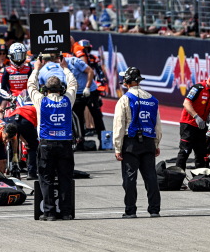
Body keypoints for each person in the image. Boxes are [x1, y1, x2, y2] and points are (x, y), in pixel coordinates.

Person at [28, 56, 78, 221]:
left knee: (46, 179)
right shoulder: (67, 99)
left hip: (46, 144)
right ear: (61, 89)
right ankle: (66, 212)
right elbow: (73, 84)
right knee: (65, 179)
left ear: (45, 89)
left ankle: (49, 212)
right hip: (65, 145)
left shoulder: (40, 100)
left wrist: (36, 68)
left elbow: (31, 85)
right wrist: (65, 68)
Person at [113, 67, 162, 219]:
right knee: (151, 177)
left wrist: (117, 147)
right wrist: (156, 144)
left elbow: (119, 125)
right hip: (148, 142)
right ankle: (154, 210)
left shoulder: (124, 99)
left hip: (131, 143)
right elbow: (157, 125)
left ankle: (130, 210)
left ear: (126, 82)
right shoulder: (152, 100)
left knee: (129, 177)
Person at [175, 70, 210, 171]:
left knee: (201, 154)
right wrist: (196, 116)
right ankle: (177, 176)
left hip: (201, 127)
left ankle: (200, 177)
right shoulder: (198, 88)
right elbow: (186, 103)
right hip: (188, 125)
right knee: (185, 151)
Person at [67, 55, 105, 150]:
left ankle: (103, 142)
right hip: (77, 93)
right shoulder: (57, 68)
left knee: (96, 116)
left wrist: (87, 87)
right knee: (78, 118)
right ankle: (80, 142)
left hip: (90, 91)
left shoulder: (74, 62)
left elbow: (90, 71)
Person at [4, 90, 39, 179]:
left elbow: (18, 132)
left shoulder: (20, 105)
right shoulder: (37, 106)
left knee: (12, 142)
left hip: (12, 118)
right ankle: (32, 173)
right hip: (26, 121)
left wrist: (25, 141)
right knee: (33, 146)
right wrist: (30, 142)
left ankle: (12, 169)